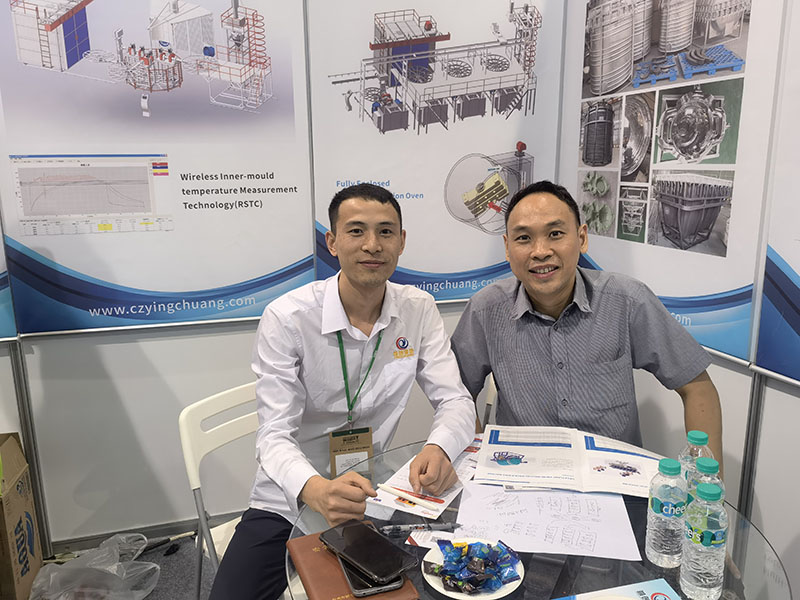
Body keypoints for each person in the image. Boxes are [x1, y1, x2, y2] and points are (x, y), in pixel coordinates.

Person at [209, 183, 476, 600]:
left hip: (376, 492)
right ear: (332, 242)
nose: (372, 245)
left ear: (401, 241)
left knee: (442, 583)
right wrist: (315, 489)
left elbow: (455, 399)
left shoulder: (418, 309)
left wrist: (439, 448)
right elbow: (273, 435)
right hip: (291, 498)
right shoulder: (288, 318)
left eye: (385, 231)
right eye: (356, 231)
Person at [451, 180, 723, 465]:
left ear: (581, 238)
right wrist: (475, 464)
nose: (540, 251)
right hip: (520, 476)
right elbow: (455, 398)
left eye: (555, 234)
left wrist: (706, 481)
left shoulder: (628, 301)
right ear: (508, 248)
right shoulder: (485, 310)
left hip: (613, 476)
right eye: (523, 238)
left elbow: (698, 387)